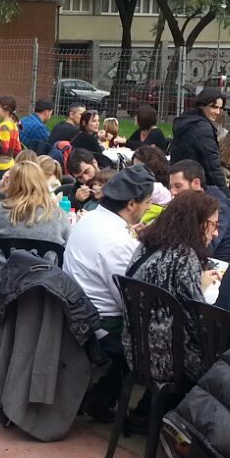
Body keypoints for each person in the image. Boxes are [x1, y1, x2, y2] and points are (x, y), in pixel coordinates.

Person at [62, 167, 153, 421]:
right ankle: (108, 401)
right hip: (97, 324)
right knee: (155, 338)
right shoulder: (118, 242)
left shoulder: (89, 219)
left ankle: (101, 397)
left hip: (74, 309)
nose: (148, 208)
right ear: (131, 204)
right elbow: (130, 302)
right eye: (147, 203)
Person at [124, 191, 221, 385]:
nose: (216, 233)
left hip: (134, 349)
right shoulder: (184, 257)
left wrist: (197, 284)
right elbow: (196, 321)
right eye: (213, 225)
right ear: (197, 224)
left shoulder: (146, 245)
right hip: (169, 361)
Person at [0, 161, 69, 278]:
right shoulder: (60, 217)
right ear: (42, 184)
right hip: (48, 286)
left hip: (1, 285)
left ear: (10, 185)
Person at [167, 159, 230, 260]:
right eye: (170, 187)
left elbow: (206, 248)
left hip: (212, 262)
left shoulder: (218, 208)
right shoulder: (185, 204)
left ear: (196, 183)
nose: (172, 191)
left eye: (178, 186)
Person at [168, 88, 228, 190]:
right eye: (214, 107)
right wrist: (225, 194)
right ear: (202, 105)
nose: (218, 112)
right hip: (196, 184)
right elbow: (212, 165)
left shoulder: (186, 121)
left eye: (220, 108)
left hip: (180, 178)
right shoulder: (203, 128)